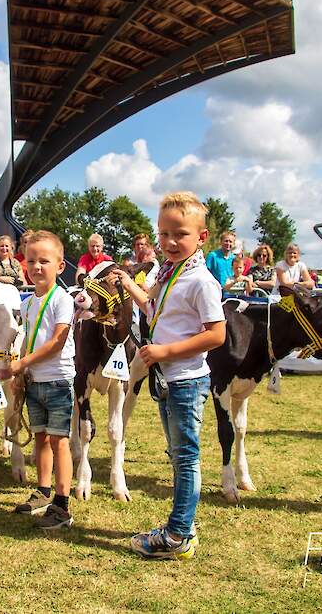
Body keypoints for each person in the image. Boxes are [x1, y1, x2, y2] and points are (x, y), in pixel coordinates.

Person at [110, 191, 226, 560]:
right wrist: (130, 287)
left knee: (186, 456)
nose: (170, 242)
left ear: (201, 237)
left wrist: (164, 351)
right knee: (177, 455)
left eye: (180, 234)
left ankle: (177, 535)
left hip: (186, 380)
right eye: (163, 234)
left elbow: (217, 334)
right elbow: (152, 307)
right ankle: (184, 525)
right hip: (167, 380)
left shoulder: (201, 281)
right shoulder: (168, 272)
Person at [0, 230, 77, 530]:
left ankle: (62, 505)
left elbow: (57, 342)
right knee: (40, 437)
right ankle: (43, 492)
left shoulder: (62, 299)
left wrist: (20, 366)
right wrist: (23, 375)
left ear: (60, 265)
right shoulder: (27, 304)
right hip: (35, 381)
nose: (37, 267)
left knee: (59, 441)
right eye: (31, 260)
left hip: (57, 380)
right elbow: (29, 339)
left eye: (44, 260)